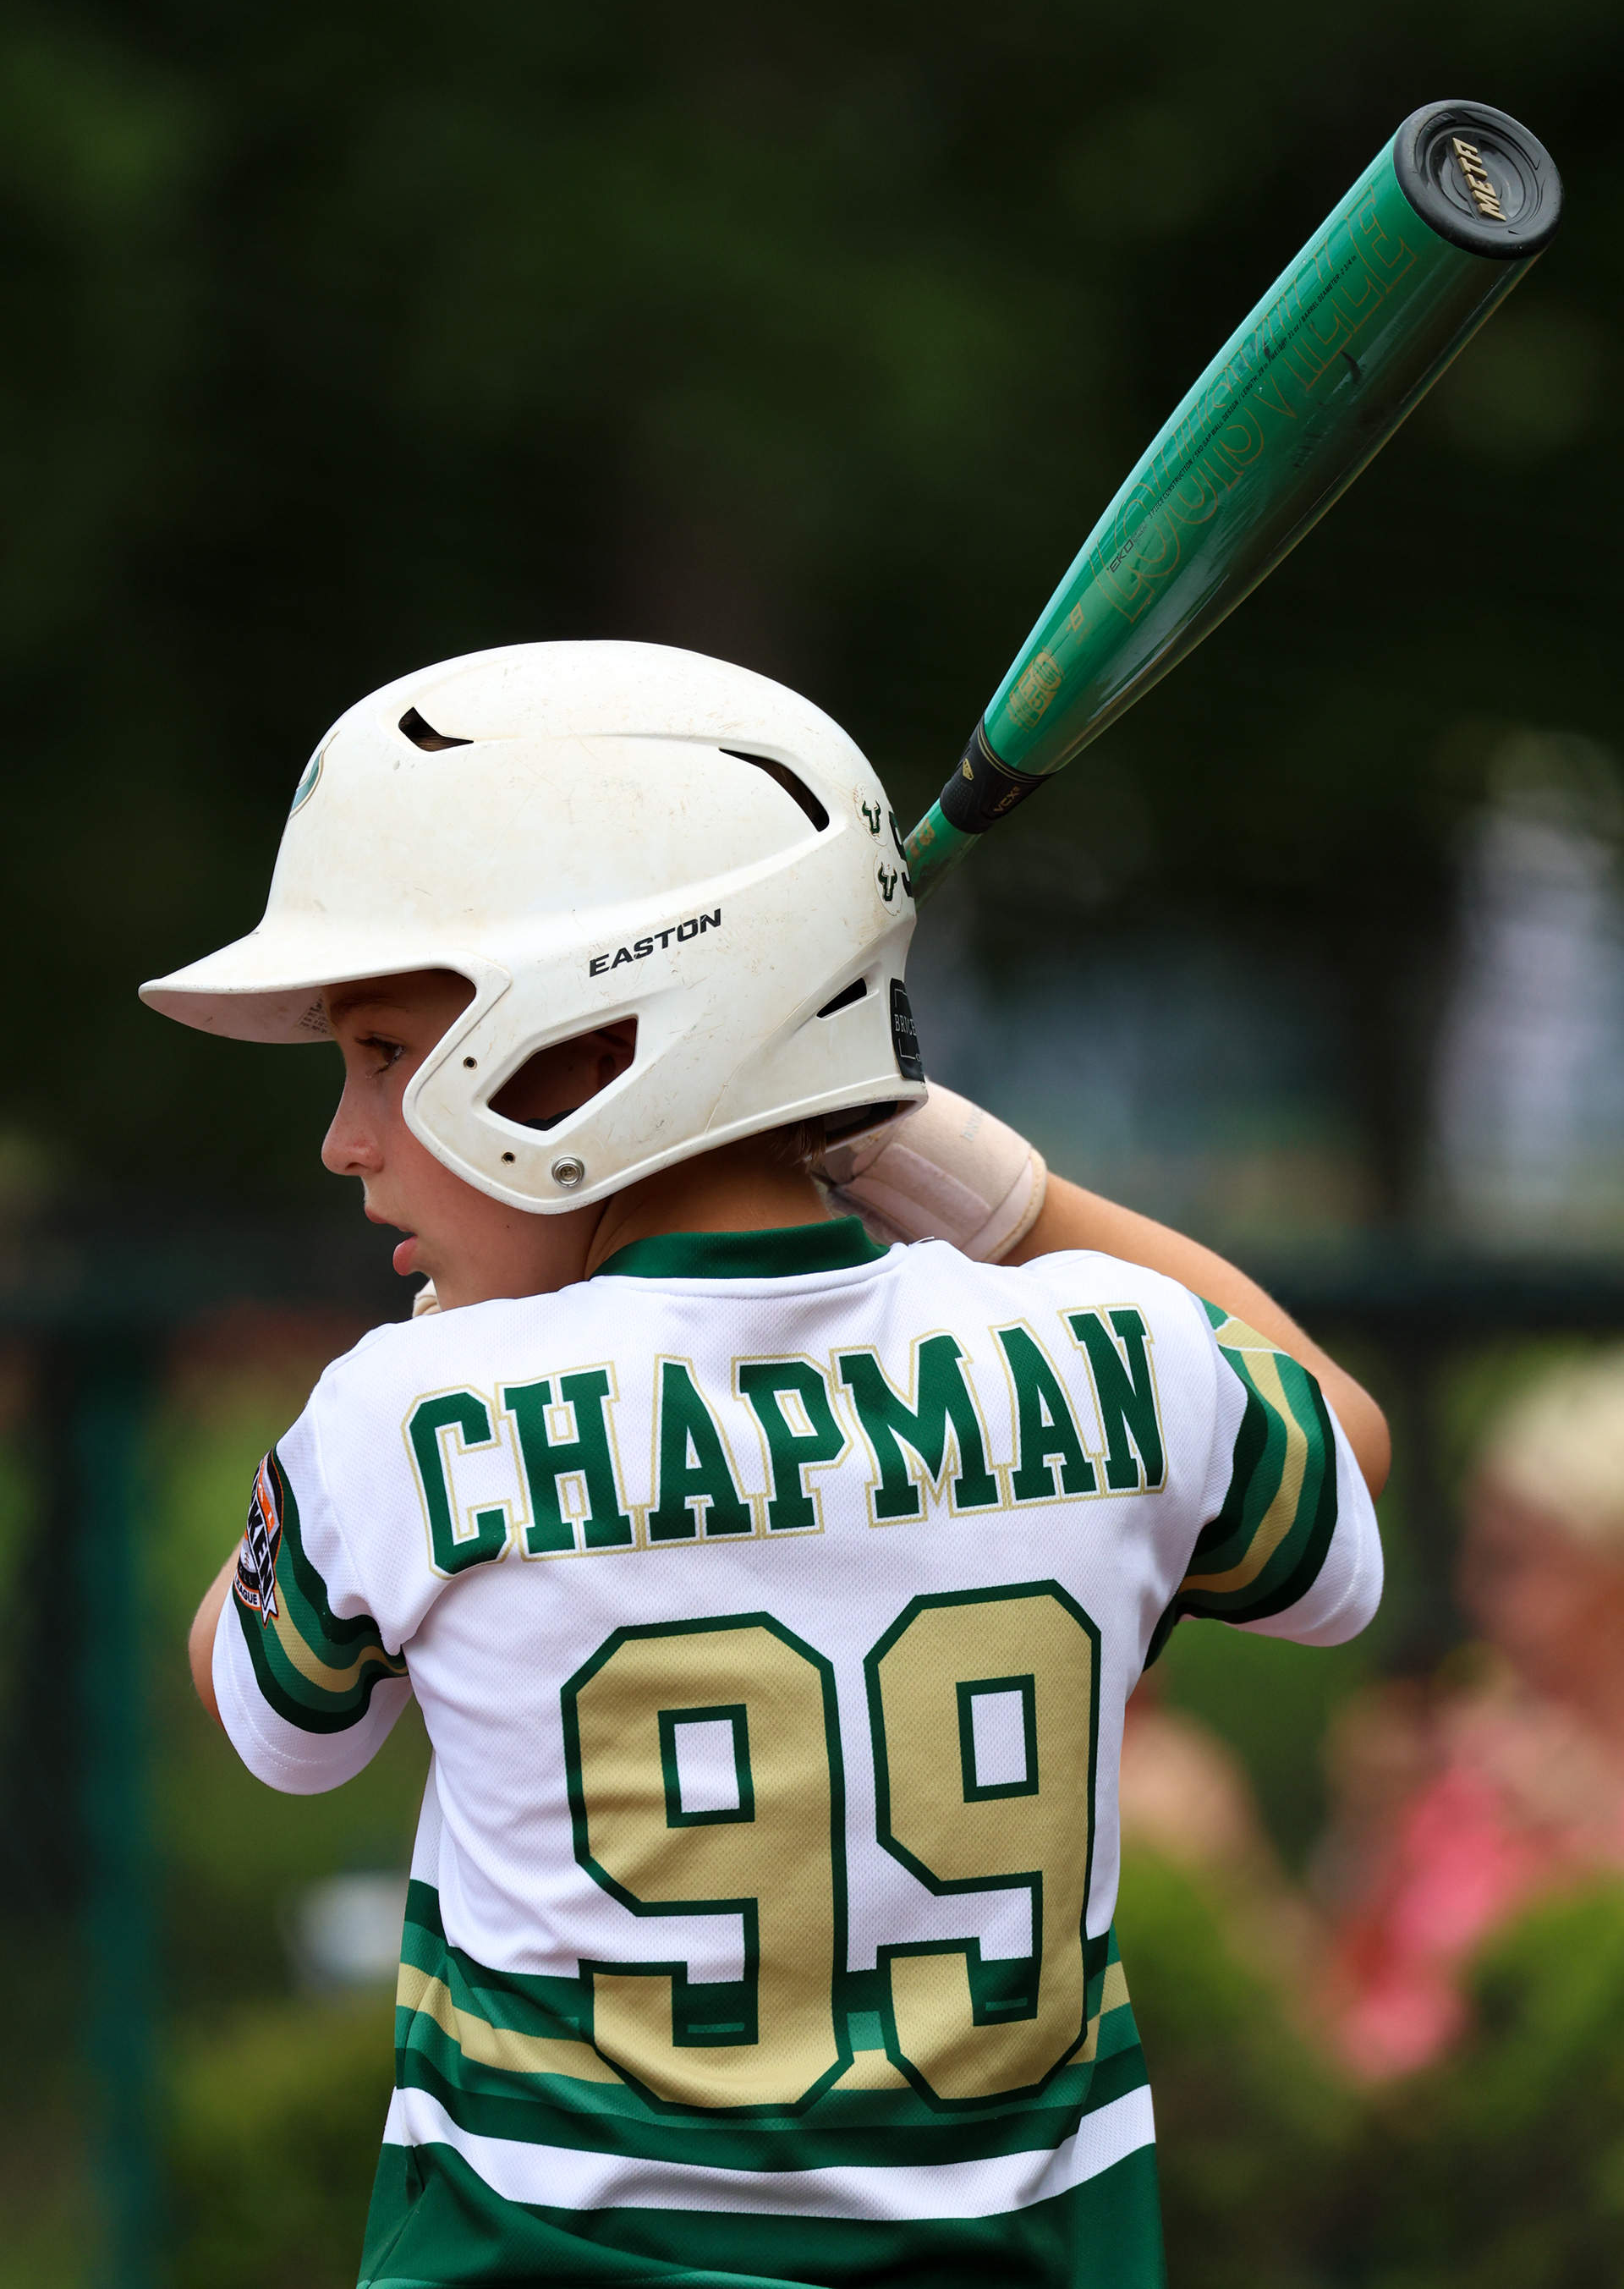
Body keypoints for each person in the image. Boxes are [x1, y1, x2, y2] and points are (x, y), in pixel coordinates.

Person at [151, 640, 1389, 2289]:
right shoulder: (1118, 1350)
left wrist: (430, 1367)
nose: (347, 1138)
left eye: (382, 1052)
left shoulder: (404, 1413)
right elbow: (1341, 1439)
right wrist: (969, 1178)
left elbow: (257, 1705)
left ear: (591, 1043)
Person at [1321, 1348, 1624, 2078]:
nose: (1474, 1594)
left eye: (1512, 1562)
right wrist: (1367, 1837)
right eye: (1477, 1557)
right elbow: (1338, 2013)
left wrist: (1591, 1847)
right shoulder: (1465, 1764)